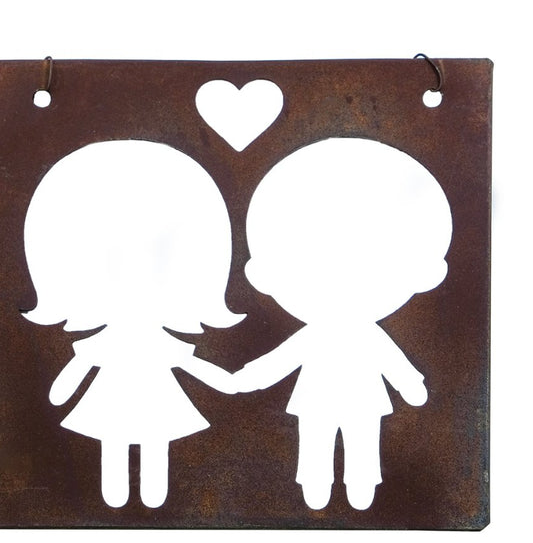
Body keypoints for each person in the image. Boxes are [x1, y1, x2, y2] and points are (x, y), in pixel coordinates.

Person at [193, 138, 452, 510]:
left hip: (359, 401)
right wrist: (245, 378)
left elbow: (395, 364)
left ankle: (358, 485)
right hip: (321, 401)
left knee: (361, 447)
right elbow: (276, 363)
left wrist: (410, 383)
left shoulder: (364, 335)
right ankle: (320, 485)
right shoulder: (327, 335)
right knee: (317, 447)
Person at [24, 140, 243, 508]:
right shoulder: (111, 341)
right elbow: (64, 386)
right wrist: (228, 382)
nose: (136, 269)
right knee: (116, 443)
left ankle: (149, 497)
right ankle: (120, 496)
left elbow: (193, 366)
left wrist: (228, 381)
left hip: (153, 401)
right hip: (116, 401)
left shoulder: (153, 340)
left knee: (154, 444)